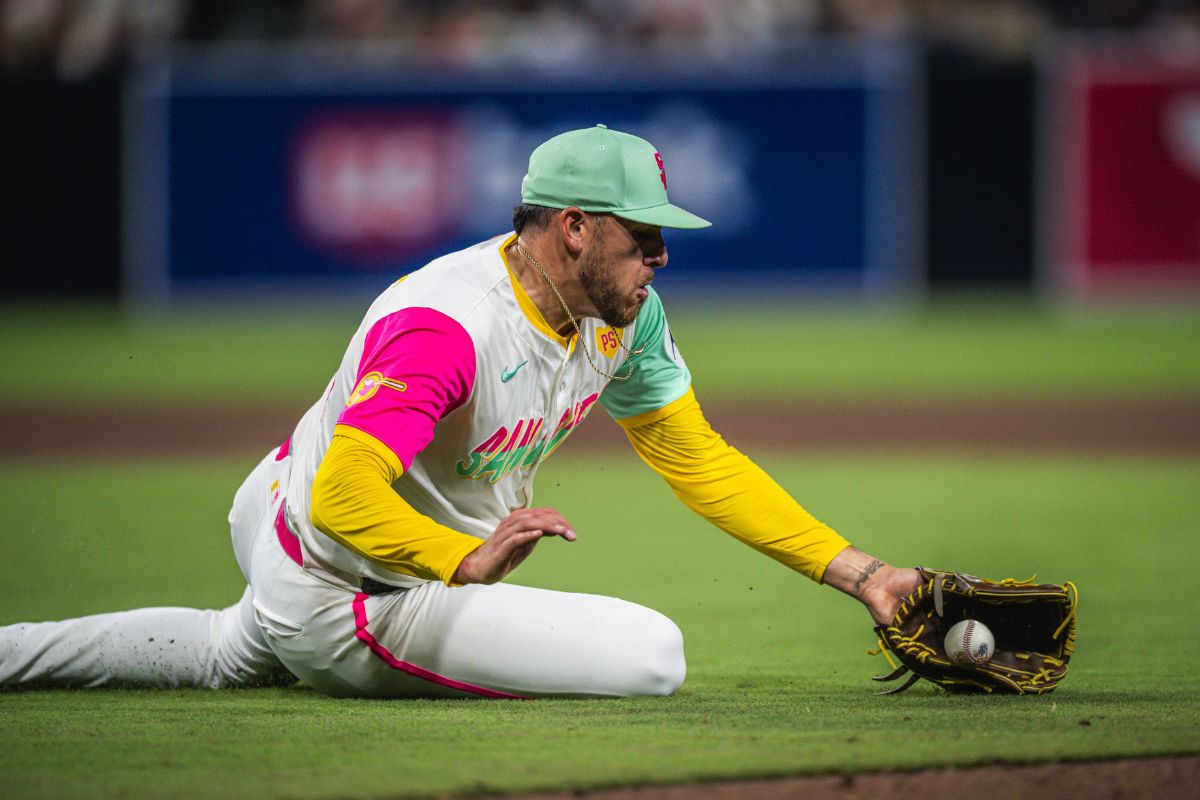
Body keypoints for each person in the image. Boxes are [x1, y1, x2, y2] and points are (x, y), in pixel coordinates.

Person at [0, 125, 921, 697]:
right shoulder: (450, 326)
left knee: (224, 649)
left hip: (290, 521)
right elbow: (341, 494)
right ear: (573, 226)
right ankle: (290, 630)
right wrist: (460, 556)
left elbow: (696, 458)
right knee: (654, 656)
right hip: (350, 583)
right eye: (645, 239)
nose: (661, 259)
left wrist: (864, 575)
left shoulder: (620, 314)